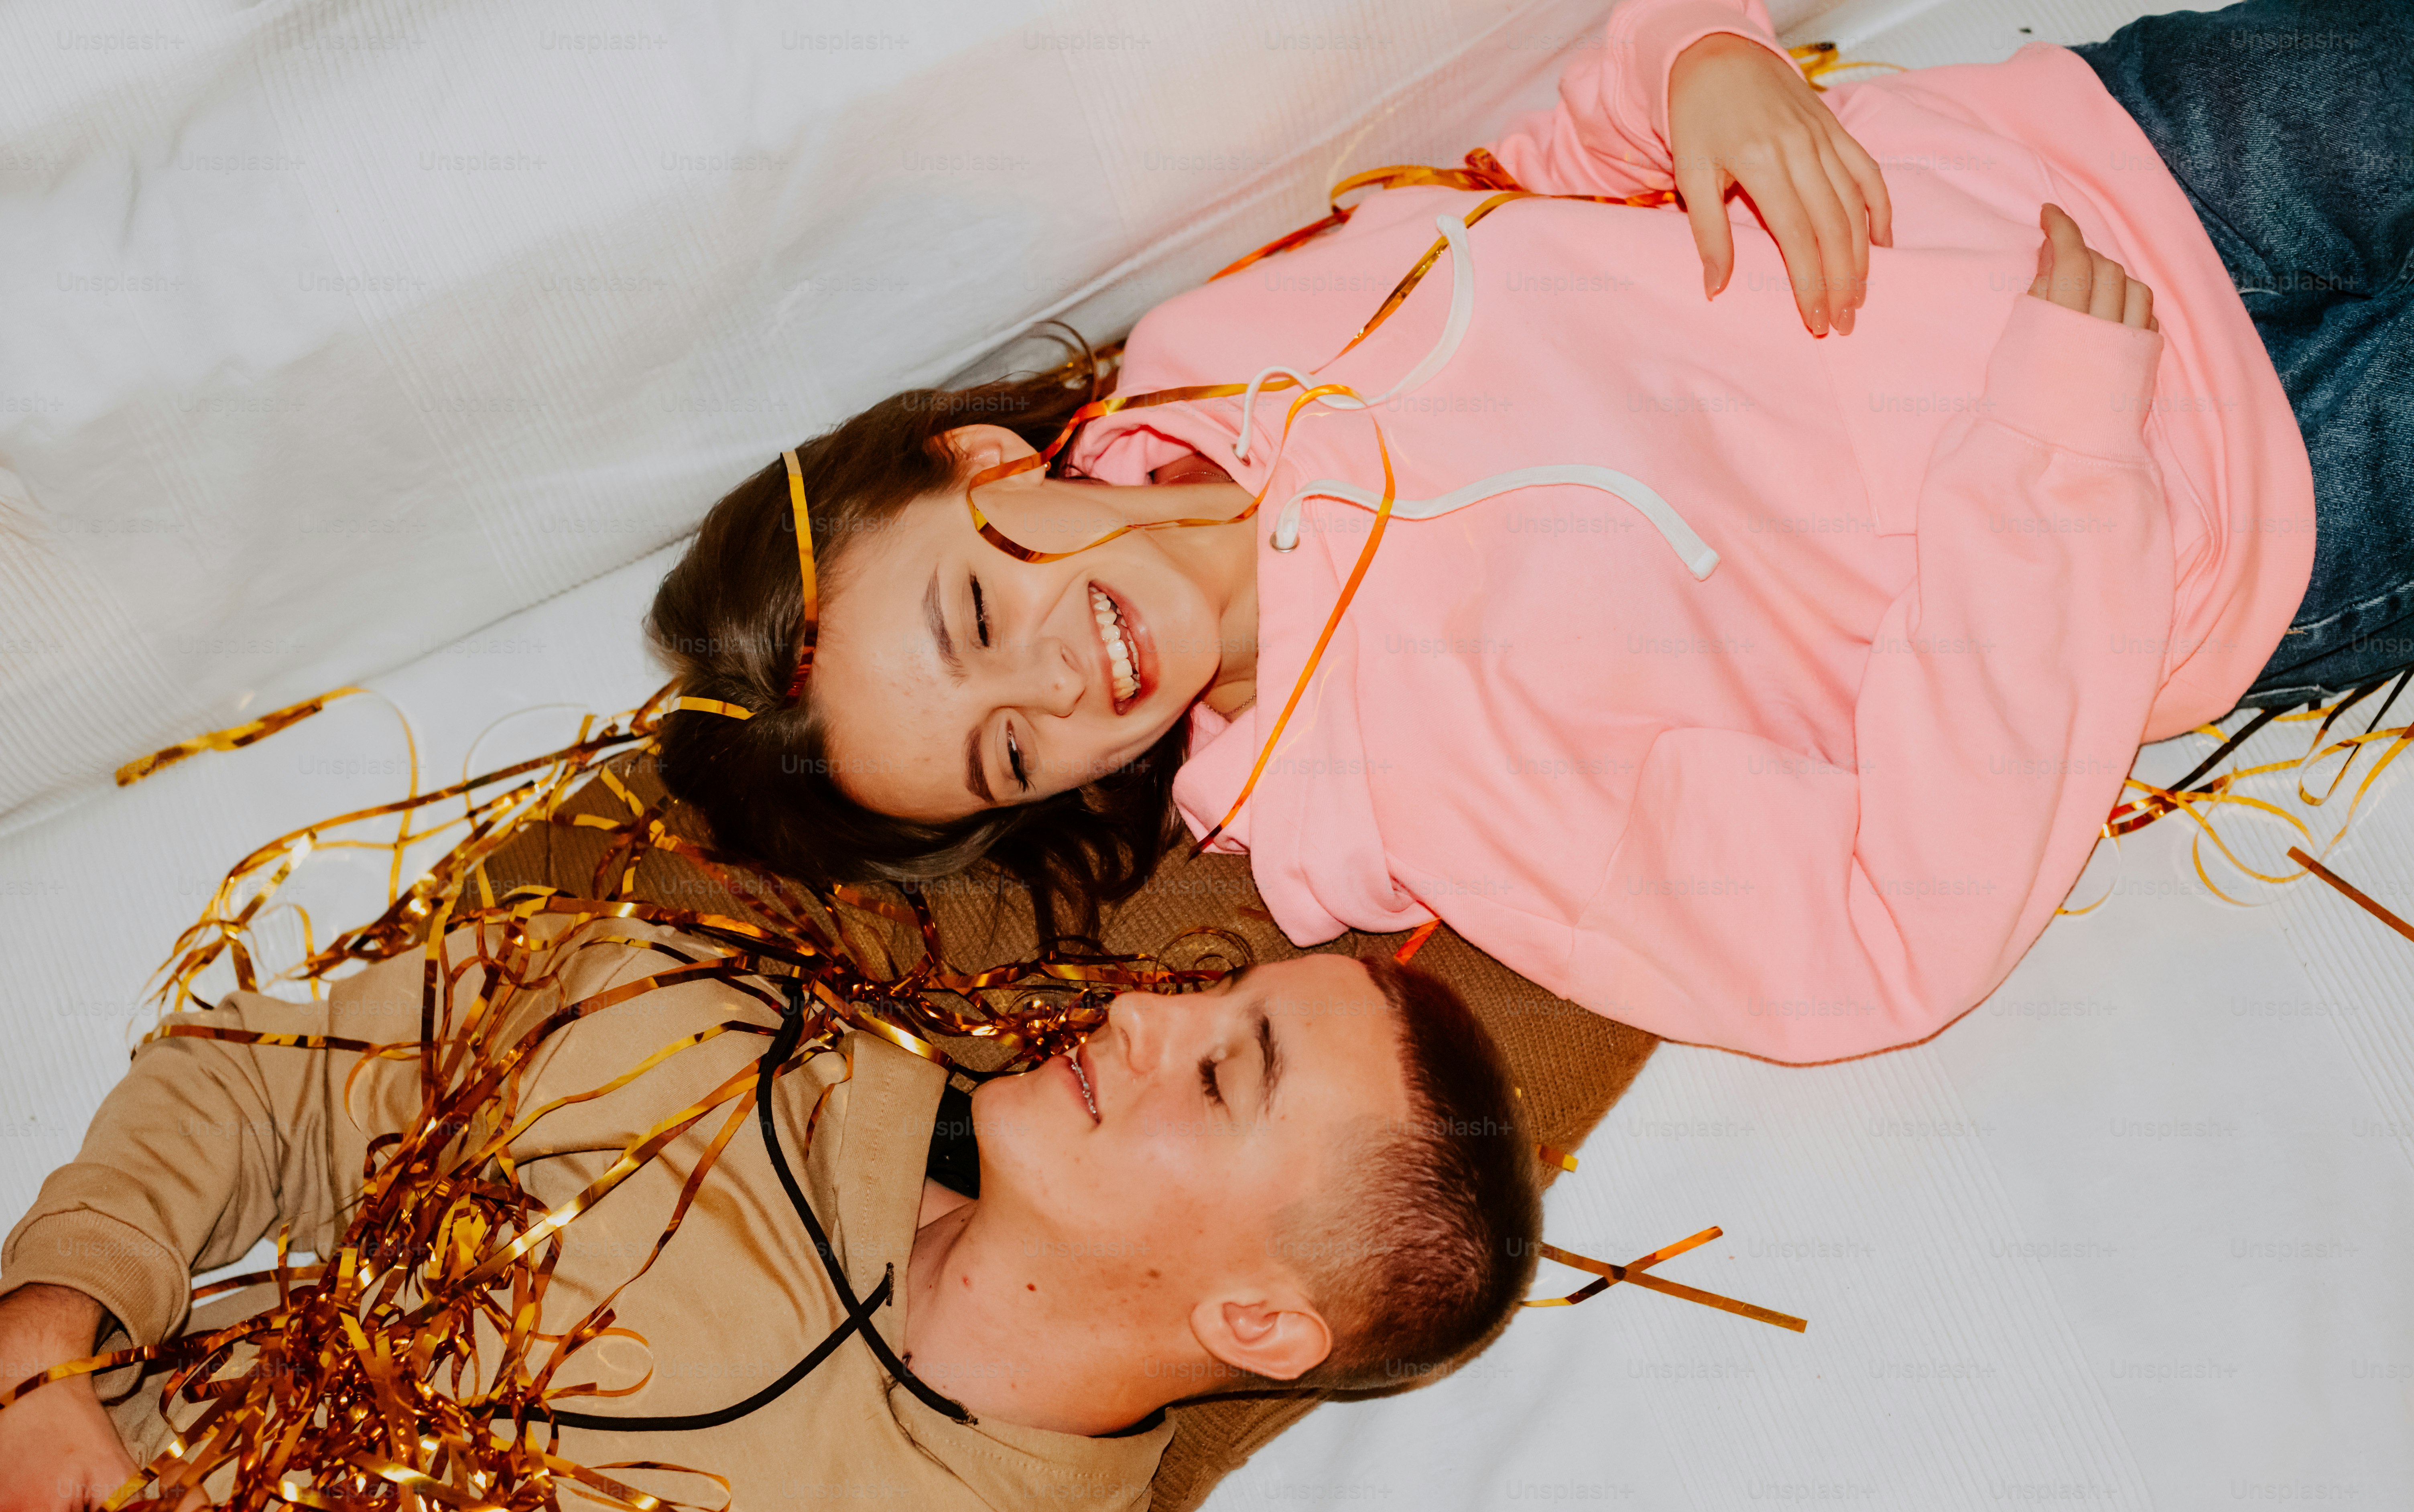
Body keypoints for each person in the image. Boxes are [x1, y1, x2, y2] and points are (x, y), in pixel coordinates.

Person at [643, 0, 2398, 1065]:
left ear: (975, 458)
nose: (1053, 685)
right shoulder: (1416, 802)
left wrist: (1699, 65)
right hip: (2231, 514)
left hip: (2110, 156)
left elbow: (1540, 170)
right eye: (1008, 754)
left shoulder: (1226, 335)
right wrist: (2052, 460)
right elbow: (1875, 947)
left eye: (972, 616)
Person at [0, 910, 1540, 1512]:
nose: (1142, 1014)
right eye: (1211, 998)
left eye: (1220, 1074)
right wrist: (46, 1340)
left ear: (1259, 1320)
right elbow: (269, 1087)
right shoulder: (720, 1042)